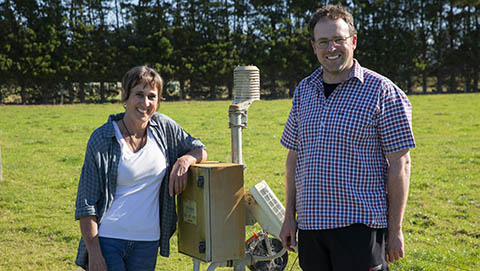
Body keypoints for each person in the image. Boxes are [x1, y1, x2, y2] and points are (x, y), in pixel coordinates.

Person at [279, 5, 416, 271]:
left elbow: (401, 163)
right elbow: (293, 158)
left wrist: (395, 229)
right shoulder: (304, 91)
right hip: (311, 227)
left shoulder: (383, 91)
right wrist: (289, 217)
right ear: (314, 47)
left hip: (360, 228)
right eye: (323, 42)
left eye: (338, 40)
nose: (331, 48)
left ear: (353, 41)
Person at [74, 65, 207, 270]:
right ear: (125, 97)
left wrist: (185, 161)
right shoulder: (102, 139)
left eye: (152, 96)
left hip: (147, 242)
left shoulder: (164, 128)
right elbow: (86, 203)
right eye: (139, 94)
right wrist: (94, 252)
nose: (145, 103)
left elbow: (199, 149)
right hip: (109, 239)